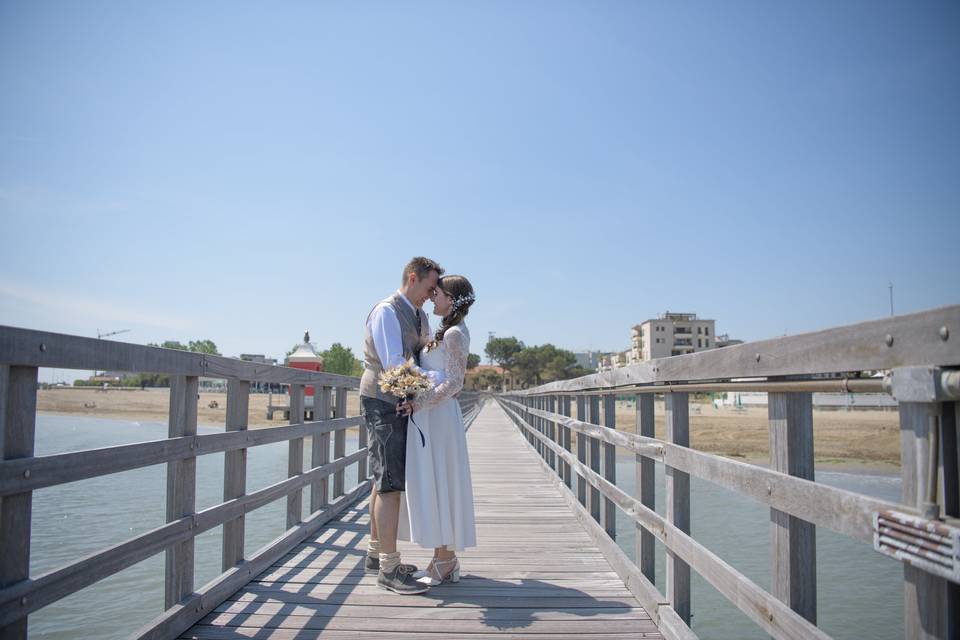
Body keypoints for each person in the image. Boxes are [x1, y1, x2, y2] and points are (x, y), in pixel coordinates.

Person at [359, 256, 442, 595]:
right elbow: (394, 363)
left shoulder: (419, 314)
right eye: (428, 287)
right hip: (381, 399)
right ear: (412, 277)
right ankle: (389, 569)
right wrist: (441, 378)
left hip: (399, 400)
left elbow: (420, 350)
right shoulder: (386, 311)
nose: (430, 294)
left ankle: (376, 554)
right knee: (390, 483)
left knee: (384, 478)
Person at [397, 274, 478, 585]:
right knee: (432, 480)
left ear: (452, 300)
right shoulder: (444, 331)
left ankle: (445, 558)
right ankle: (442, 557)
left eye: (438, 293)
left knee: (440, 479)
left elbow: (456, 382)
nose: (433, 297)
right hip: (432, 415)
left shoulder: (456, 333)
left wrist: (419, 403)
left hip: (439, 417)